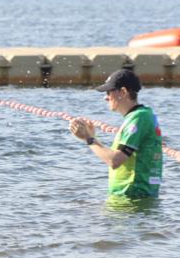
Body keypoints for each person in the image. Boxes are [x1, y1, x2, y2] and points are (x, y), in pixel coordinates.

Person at [69, 69, 163, 200]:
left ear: (123, 92)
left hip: (132, 198)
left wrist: (88, 138)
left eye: (109, 92)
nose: (105, 97)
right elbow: (116, 157)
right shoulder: (140, 115)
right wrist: (92, 137)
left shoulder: (139, 117)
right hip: (129, 198)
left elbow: (114, 160)